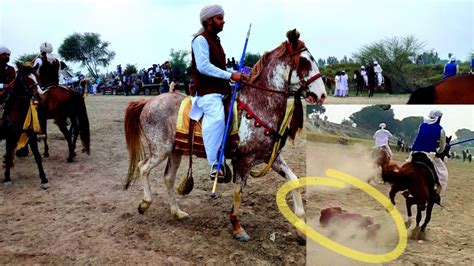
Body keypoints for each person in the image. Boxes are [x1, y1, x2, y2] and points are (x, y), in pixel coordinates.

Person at [189, 4, 245, 178]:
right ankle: (215, 164)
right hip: (208, 92)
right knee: (217, 119)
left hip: (222, 89)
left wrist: (237, 73)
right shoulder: (200, 40)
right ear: (209, 20)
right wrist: (230, 75)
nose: (223, 21)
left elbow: (218, 66)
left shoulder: (215, 40)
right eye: (220, 18)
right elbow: (204, 66)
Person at [411, 110, 448, 201]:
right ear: (438, 118)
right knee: (443, 173)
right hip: (429, 154)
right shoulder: (441, 129)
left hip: (415, 152)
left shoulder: (422, 125)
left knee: (408, 164)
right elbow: (442, 147)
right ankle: (436, 193)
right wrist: (438, 152)